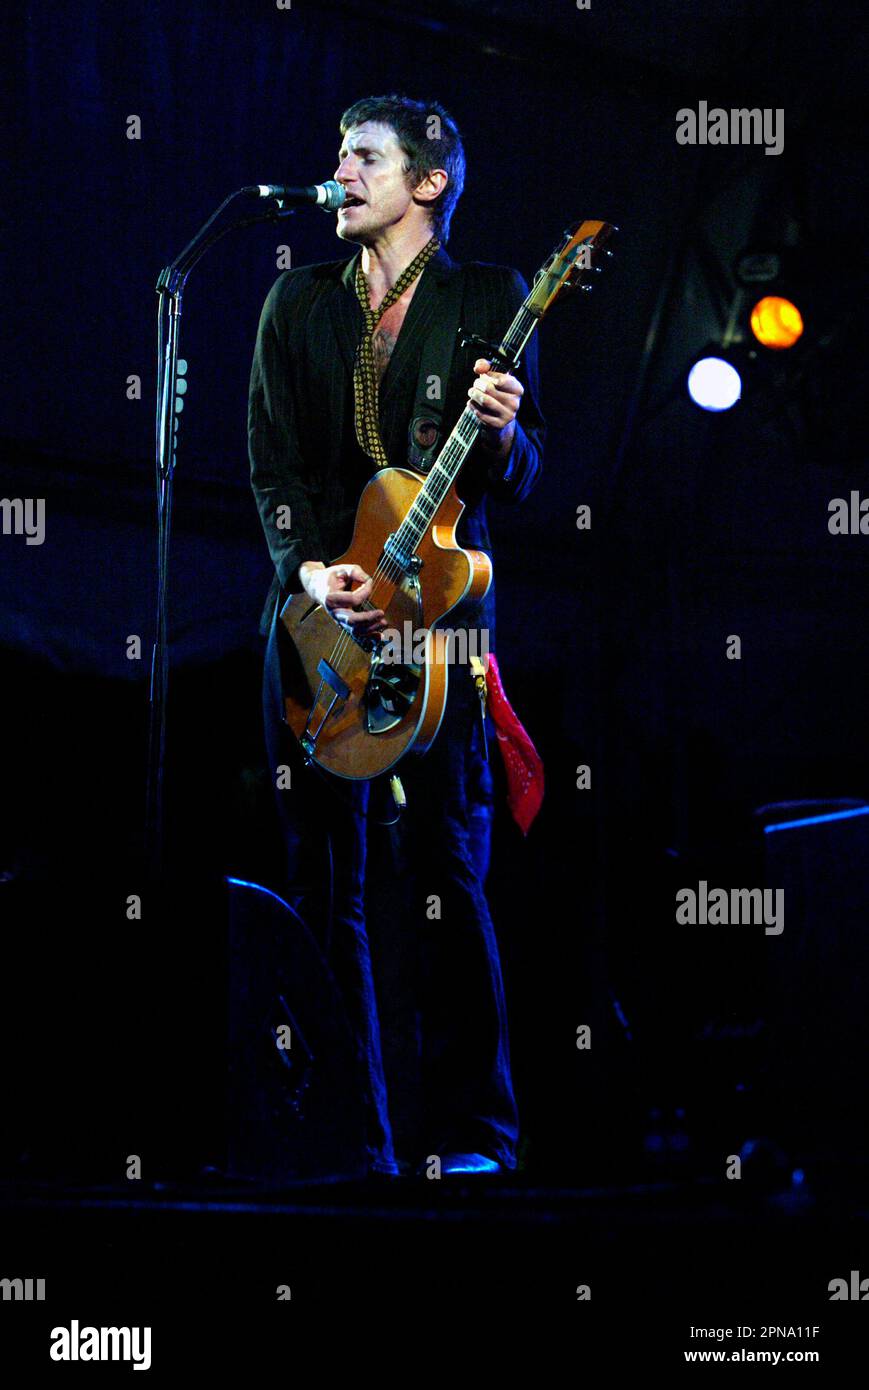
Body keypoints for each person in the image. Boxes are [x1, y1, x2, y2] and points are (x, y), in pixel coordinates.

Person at [249, 93, 545, 1177]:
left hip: (441, 633)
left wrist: (506, 437)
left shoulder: (486, 297)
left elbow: (518, 476)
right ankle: (345, 1134)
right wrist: (310, 571)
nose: (340, 170)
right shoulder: (295, 303)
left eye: (364, 156)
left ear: (427, 183)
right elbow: (272, 469)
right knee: (325, 884)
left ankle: (474, 1134)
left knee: (446, 875)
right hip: (318, 630)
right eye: (336, 153)